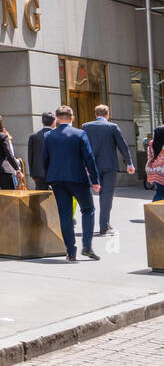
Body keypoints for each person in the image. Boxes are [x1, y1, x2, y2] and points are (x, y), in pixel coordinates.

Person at [42, 106, 102, 263]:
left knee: (65, 214)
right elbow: (89, 158)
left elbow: (45, 159)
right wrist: (95, 181)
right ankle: (87, 246)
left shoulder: (48, 135)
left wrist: (49, 177)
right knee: (88, 209)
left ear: (56, 119)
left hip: (56, 180)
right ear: (72, 118)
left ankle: (71, 252)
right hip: (77, 178)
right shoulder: (80, 134)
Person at [82, 105, 135, 236]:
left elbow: (81, 147)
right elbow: (123, 146)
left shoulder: (85, 127)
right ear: (107, 114)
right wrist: (129, 163)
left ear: (96, 114)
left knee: (92, 194)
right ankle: (104, 225)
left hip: (92, 166)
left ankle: (99, 224)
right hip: (109, 166)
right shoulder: (112, 127)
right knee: (106, 195)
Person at [28, 112, 56, 189]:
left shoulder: (33, 137)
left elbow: (30, 157)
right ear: (54, 122)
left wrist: (32, 173)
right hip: (55, 172)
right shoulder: (57, 136)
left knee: (40, 197)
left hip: (38, 172)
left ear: (42, 122)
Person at [146, 126, 164, 202]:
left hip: (156, 172)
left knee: (160, 192)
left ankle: (154, 212)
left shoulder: (151, 143)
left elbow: (150, 157)